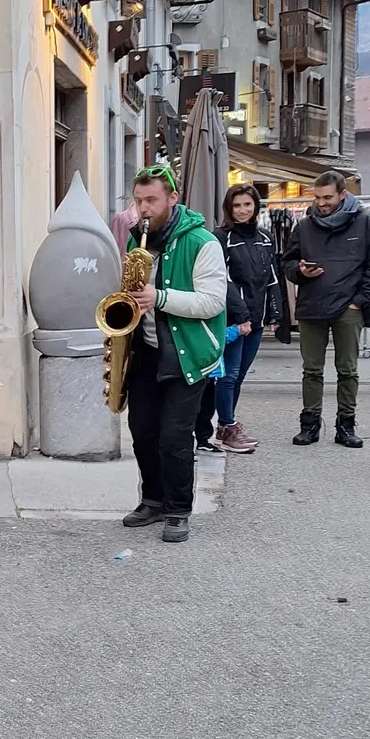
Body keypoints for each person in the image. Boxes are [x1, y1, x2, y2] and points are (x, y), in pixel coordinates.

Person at [119, 166, 228, 544]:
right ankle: (152, 500)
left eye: (151, 200)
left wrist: (160, 298)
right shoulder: (139, 243)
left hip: (188, 353)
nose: (143, 209)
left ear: (172, 200)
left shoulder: (203, 242)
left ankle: (178, 509)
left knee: (175, 436)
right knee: (142, 431)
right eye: (138, 200)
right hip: (148, 350)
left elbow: (213, 302)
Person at [282, 170, 370, 447]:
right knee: (312, 370)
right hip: (312, 305)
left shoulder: (366, 223)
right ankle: (310, 424)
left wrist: (359, 301)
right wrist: (301, 272)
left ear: (343, 194)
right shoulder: (304, 226)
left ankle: (346, 425)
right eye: (317, 197)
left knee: (348, 369)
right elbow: (288, 263)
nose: (322, 203)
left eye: (327, 197)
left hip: (348, 308)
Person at [211, 182, 280, 453]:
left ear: (255, 206)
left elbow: (271, 277)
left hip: (257, 318)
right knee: (228, 374)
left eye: (247, 204)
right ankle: (226, 427)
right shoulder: (220, 238)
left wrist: (276, 312)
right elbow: (223, 280)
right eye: (237, 205)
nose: (242, 210)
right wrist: (241, 316)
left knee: (239, 376)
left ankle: (226, 427)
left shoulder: (265, 237)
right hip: (234, 319)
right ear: (229, 208)